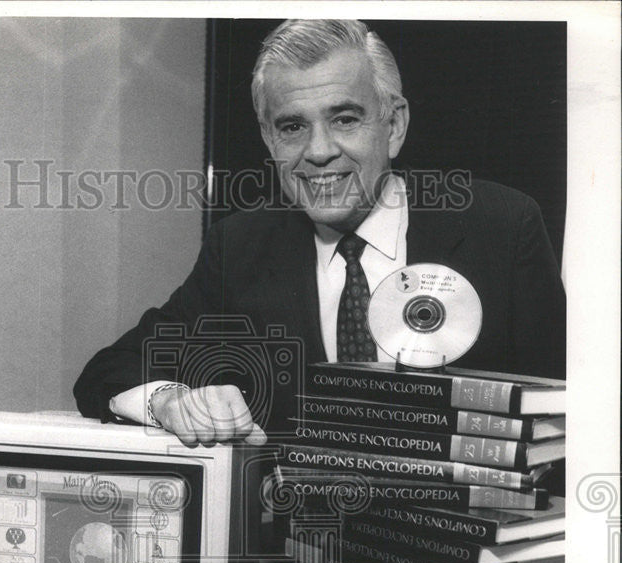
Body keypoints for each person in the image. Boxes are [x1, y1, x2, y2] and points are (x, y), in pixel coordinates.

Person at [74, 19, 565, 446]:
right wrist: (169, 400)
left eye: (344, 119)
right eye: (292, 127)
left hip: (463, 542)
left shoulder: (500, 226)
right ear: (269, 138)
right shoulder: (240, 248)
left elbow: (566, 414)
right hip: (303, 544)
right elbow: (109, 369)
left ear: (393, 126)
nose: (319, 151)